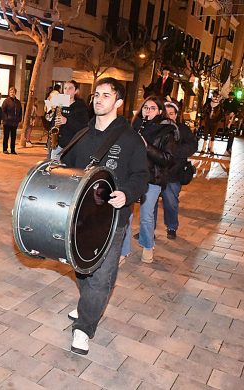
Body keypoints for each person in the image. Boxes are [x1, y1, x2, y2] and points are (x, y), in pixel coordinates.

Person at [62, 77, 148, 355]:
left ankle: (84, 328)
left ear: (119, 103)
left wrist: (127, 193)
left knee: (101, 276)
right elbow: (67, 169)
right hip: (80, 219)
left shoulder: (130, 139)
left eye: (106, 95)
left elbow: (141, 176)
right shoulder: (81, 134)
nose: (98, 99)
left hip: (112, 220)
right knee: (82, 268)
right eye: (96, 95)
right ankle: (89, 305)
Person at [131, 96, 177, 263]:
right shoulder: (134, 127)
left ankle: (147, 246)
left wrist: (147, 147)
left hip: (152, 178)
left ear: (159, 112)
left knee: (146, 215)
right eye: (145, 108)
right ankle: (122, 248)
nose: (147, 111)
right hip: (133, 175)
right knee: (125, 214)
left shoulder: (166, 131)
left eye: (152, 108)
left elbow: (167, 159)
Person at [157, 101, 198, 239]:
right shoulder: (157, 127)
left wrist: (174, 152)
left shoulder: (182, 129)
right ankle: (148, 231)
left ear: (176, 115)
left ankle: (172, 226)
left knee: (171, 202)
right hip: (155, 173)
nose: (168, 117)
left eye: (171, 114)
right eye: (166, 114)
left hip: (173, 173)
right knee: (150, 203)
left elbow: (192, 145)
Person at [49, 80, 89, 160]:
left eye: (70, 88)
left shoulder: (81, 107)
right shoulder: (60, 103)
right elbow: (53, 121)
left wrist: (67, 121)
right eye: (65, 88)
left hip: (72, 146)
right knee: (53, 170)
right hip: (57, 145)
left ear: (76, 91)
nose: (67, 91)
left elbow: (84, 128)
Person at [1, 86, 22, 155]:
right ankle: (5, 149)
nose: (12, 93)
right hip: (7, 122)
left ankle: (13, 150)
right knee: (6, 136)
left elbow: (20, 111)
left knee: (13, 137)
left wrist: (19, 119)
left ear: (15, 93)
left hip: (14, 122)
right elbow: (3, 111)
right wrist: (6, 118)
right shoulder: (6, 101)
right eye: (11, 92)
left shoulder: (18, 102)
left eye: (13, 92)